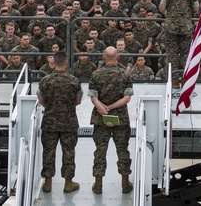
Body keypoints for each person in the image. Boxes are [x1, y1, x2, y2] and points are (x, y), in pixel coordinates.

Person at [89, 47, 133, 194]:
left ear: (103, 57)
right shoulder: (124, 74)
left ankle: (98, 183)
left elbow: (93, 97)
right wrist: (112, 107)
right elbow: (127, 98)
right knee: (122, 150)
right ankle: (125, 183)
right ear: (118, 57)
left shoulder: (96, 74)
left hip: (100, 118)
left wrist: (103, 109)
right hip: (120, 118)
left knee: (100, 151)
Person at [38, 50, 81, 194]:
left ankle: (48, 182)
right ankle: (68, 183)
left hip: (50, 122)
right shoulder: (74, 81)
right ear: (66, 63)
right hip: (68, 122)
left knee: (48, 151)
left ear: (53, 62)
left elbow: (41, 100)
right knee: (68, 151)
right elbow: (78, 100)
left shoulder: (45, 81)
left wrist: (51, 107)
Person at [158, 0, 198, 86]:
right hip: (186, 27)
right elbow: (196, 9)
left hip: (171, 28)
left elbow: (161, 8)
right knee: (186, 54)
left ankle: (174, 80)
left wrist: (169, 15)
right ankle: (186, 80)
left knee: (172, 55)